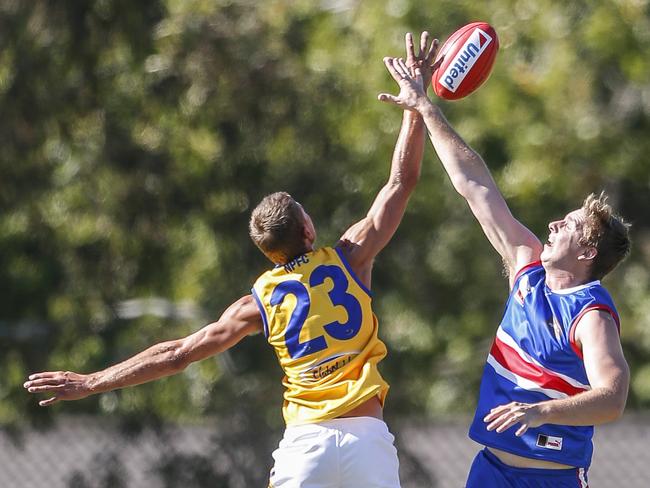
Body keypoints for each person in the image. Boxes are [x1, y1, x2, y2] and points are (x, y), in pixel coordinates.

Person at [24, 34, 441, 488]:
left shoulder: (257, 302)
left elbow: (177, 354)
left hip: (305, 447)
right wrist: (415, 105)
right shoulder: (350, 257)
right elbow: (401, 181)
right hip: (367, 440)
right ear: (308, 231)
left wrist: (91, 382)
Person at [379, 58, 631, 486]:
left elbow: (612, 397)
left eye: (568, 225)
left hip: (550, 478)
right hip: (491, 471)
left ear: (587, 251)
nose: (553, 225)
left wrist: (542, 411)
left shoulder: (590, 316)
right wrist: (425, 107)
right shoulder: (526, 268)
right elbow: (474, 182)